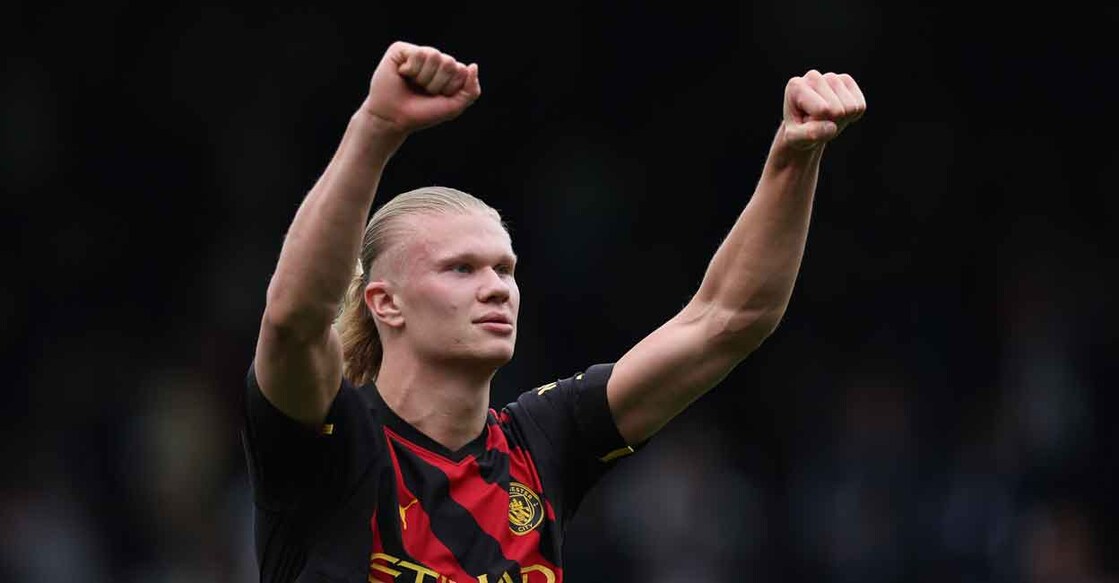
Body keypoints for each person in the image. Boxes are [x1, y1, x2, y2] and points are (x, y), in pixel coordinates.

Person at [241, 40, 866, 582]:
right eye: (461, 269)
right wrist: (377, 127)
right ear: (385, 303)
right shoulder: (330, 441)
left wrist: (793, 157)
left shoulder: (542, 441)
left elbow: (729, 319)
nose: (496, 288)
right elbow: (294, 318)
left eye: (506, 270)